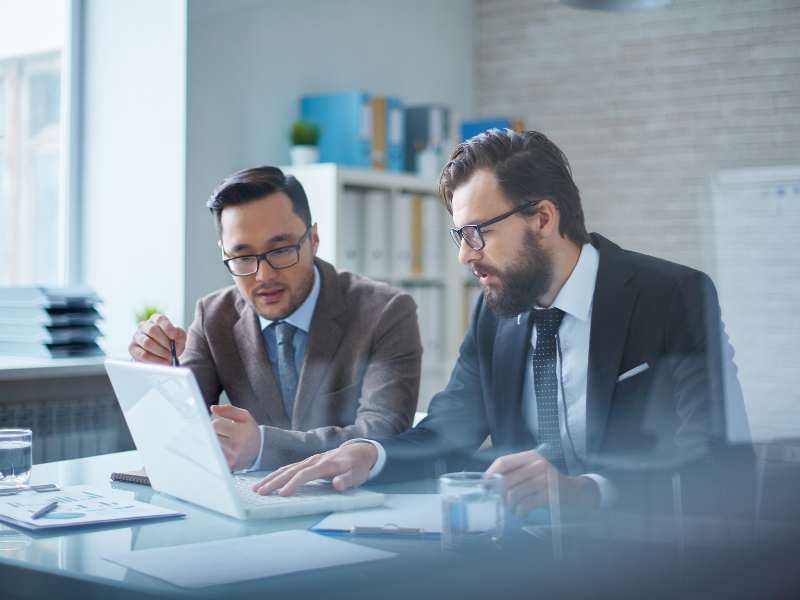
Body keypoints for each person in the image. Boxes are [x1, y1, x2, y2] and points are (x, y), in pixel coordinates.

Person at [250, 129, 751, 517]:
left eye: (477, 233)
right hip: (522, 555)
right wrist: (367, 455)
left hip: (647, 559)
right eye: (459, 237)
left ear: (543, 219)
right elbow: (447, 431)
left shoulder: (672, 297)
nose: (466, 257)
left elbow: (719, 463)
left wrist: (588, 492)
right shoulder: (495, 314)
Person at [128, 166, 422, 472]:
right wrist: (157, 373)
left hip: (350, 502)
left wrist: (264, 448)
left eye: (281, 250)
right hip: (251, 502)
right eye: (242, 257)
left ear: (315, 239)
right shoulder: (212, 316)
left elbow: (384, 432)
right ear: (225, 253)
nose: (264, 276)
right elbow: (176, 433)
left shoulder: (386, 311)